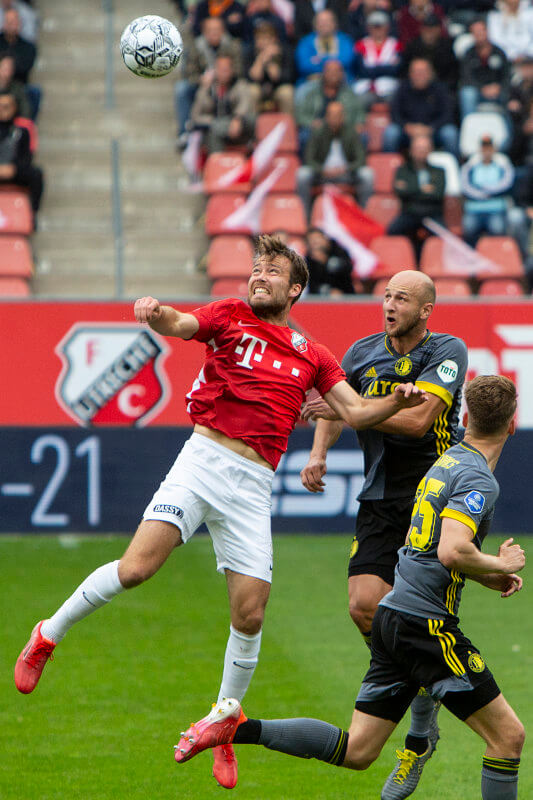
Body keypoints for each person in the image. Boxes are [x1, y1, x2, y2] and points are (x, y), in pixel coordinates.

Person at [14, 236, 428, 791]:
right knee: (137, 568)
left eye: (272, 271)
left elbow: (353, 410)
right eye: (255, 269)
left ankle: (223, 715)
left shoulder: (314, 353)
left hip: (254, 483)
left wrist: (397, 403)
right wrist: (157, 315)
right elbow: (182, 325)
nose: (259, 276)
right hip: (203, 459)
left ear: (295, 288)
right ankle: (47, 634)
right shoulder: (229, 315)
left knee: (251, 613)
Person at [175, 375, 526, 800]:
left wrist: (488, 574)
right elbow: (453, 551)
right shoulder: (478, 480)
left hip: (394, 615)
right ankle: (419, 740)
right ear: (512, 425)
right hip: (424, 625)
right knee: (507, 738)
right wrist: (500, 562)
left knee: (358, 750)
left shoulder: (446, 460)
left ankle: (236, 728)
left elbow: (435, 549)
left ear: (466, 417)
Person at [300, 268, 468, 797]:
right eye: (387, 295)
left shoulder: (447, 349)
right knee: (363, 606)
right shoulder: (361, 351)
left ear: (426, 310)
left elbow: (419, 423)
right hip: (378, 497)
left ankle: (417, 736)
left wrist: (356, 413)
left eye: (402, 298)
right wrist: (320, 450)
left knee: (419, 615)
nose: (389, 304)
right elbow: (332, 404)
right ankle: (422, 700)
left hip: (435, 500)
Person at [296, 100, 372, 218]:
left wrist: (346, 168)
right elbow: (309, 159)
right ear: (326, 116)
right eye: (331, 115)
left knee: (367, 174)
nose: (334, 119)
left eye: (337, 115)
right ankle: (305, 217)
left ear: (343, 117)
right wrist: (322, 170)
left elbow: (361, 159)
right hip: (322, 175)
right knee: (302, 174)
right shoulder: (318, 132)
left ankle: (364, 215)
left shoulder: (352, 132)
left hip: (346, 174)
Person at [174, 16, 243, 141]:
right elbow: (189, 73)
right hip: (203, 85)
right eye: (211, 30)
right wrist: (201, 79)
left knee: (244, 87)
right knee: (181, 88)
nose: (214, 33)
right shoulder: (196, 47)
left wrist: (226, 76)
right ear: (204, 32)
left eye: (217, 29)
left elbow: (239, 70)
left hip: (228, 85)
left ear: (223, 31)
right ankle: (185, 133)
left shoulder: (232, 46)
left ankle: (236, 125)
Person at [383, 57, 459, 156]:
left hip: (434, 130)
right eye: (416, 72)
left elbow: (447, 114)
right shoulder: (402, 89)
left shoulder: (440, 89)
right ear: (410, 74)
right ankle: (389, 167)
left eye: (423, 72)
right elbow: (395, 114)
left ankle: (455, 167)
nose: (419, 75)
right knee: (391, 133)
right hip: (408, 131)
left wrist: (431, 128)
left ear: (430, 73)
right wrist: (407, 126)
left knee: (450, 133)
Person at [388, 134, 446, 258]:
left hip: (432, 213)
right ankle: (401, 261)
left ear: (430, 150)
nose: (421, 152)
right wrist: (423, 190)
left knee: (444, 236)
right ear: (411, 150)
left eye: (424, 148)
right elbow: (399, 192)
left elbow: (438, 194)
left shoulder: (439, 171)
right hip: (410, 213)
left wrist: (411, 190)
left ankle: (435, 264)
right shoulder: (402, 170)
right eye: (418, 148)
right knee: (392, 231)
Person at [189, 53, 256, 154]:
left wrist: (237, 119)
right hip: (216, 127)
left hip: (239, 128)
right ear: (215, 70)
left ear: (232, 70)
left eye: (226, 69)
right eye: (220, 69)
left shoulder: (240, 85)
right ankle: (217, 162)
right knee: (212, 131)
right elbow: (195, 116)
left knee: (252, 119)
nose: (224, 73)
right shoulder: (208, 89)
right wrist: (204, 89)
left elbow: (245, 105)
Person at [460, 133, 515, 247]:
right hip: (474, 208)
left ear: (494, 149)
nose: (487, 150)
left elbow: (507, 184)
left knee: (497, 228)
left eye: (489, 147)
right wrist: (480, 194)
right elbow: (465, 186)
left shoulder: (502, 165)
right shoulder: (471, 166)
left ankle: (497, 258)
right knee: (468, 227)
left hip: (495, 208)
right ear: (480, 149)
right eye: (484, 147)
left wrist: (487, 190)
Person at [0, 89, 42, 222]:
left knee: (36, 174)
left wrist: (13, 169)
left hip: (14, 171)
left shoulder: (23, 130)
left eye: (6, 107)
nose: (2, 110)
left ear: (14, 107)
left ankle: (31, 215)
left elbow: (27, 157)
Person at [458, 18, 511, 120]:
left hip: (497, 90)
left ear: (487, 31)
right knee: (467, 93)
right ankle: (469, 129)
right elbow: (466, 77)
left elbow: (506, 75)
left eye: (481, 30)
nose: (479, 34)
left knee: (509, 96)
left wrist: (499, 87)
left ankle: (507, 133)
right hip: (478, 91)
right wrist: (482, 88)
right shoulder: (469, 54)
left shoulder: (499, 52)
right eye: (475, 32)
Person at [352, 11, 402, 110]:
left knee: (396, 101)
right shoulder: (361, 44)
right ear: (368, 28)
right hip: (366, 87)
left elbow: (396, 70)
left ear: (387, 27)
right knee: (358, 102)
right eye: (374, 26)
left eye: (380, 26)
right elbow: (362, 71)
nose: (378, 30)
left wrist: (373, 69)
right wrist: (386, 68)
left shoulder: (395, 44)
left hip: (389, 87)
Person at [245, 21, 294, 114]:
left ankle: (288, 126)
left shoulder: (284, 52)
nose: (262, 42)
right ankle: (252, 126)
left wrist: (270, 62)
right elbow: (251, 78)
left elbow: (286, 77)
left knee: (287, 93)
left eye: (266, 39)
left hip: (278, 88)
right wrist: (261, 59)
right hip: (259, 88)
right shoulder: (250, 53)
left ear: (274, 40)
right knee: (251, 91)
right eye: (259, 39)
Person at [305, 227, 355, 295]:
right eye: (312, 240)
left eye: (317, 239)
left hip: (346, 293)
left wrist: (326, 261)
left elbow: (347, 268)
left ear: (325, 239)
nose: (315, 242)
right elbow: (312, 285)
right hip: (320, 298)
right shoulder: (307, 261)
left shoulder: (338, 250)